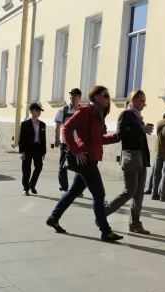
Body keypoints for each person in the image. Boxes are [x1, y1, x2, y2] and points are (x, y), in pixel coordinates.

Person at [46, 85, 123, 242]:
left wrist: (117, 137)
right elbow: (66, 129)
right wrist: (76, 150)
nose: (108, 99)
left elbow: (98, 140)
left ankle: (53, 218)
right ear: (95, 96)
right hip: (85, 159)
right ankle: (105, 231)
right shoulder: (85, 112)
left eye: (109, 96)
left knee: (73, 192)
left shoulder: (97, 115)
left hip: (91, 158)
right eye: (105, 95)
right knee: (99, 195)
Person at [102, 90, 154, 235]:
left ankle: (135, 223)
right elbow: (121, 134)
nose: (144, 104)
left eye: (144, 101)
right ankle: (103, 213)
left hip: (141, 159)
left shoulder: (137, 116)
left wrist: (142, 130)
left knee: (139, 194)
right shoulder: (126, 114)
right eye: (142, 101)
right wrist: (141, 129)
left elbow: (136, 134)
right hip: (131, 157)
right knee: (129, 191)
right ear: (133, 100)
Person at [54, 88, 84, 197]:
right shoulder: (63, 110)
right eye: (71, 96)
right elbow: (58, 126)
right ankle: (64, 187)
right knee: (63, 165)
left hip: (79, 143)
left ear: (79, 98)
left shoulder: (82, 111)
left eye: (74, 96)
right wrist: (57, 139)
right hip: (65, 142)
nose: (72, 98)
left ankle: (77, 189)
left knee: (80, 166)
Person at [19, 103, 47, 196]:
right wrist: (21, 151)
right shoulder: (25, 124)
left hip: (38, 148)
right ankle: (26, 188)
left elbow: (43, 139)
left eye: (40, 111)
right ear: (31, 111)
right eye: (37, 110)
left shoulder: (42, 124)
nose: (39, 112)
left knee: (39, 167)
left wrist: (43, 152)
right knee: (26, 168)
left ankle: (32, 184)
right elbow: (21, 138)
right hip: (27, 148)